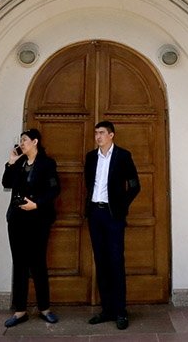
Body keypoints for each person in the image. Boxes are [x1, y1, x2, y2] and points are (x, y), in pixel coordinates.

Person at [1, 128, 61, 328]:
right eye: (21, 140)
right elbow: (6, 183)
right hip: (17, 219)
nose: (22, 143)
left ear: (35, 142)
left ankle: (45, 308)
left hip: (38, 219)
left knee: (38, 263)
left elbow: (54, 189)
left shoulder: (47, 163)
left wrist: (37, 204)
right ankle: (20, 311)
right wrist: (11, 162)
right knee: (19, 263)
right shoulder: (19, 163)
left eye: (25, 140)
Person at [84, 120, 141, 330]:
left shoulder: (123, 156)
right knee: (101, 262)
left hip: (113, 216)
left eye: (101, 132)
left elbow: (135, 185)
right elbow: (89, 183)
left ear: (111, 135)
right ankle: (107, 309)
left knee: (116, 262)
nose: (98, 136)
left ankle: (120, 311)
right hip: (95, 214)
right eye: (96, 133)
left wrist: (120, 206)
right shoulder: (91, 157)